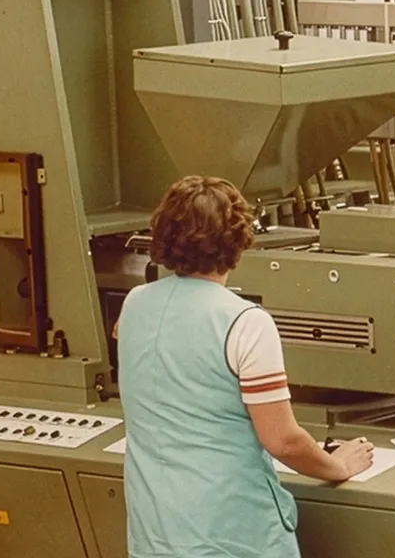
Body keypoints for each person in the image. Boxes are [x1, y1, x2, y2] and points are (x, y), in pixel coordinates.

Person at [116, 175, 375, 558]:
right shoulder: (245, 322)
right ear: (237, 241)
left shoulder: (135, 303)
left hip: (156, 532)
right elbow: (283, 440)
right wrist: (338, 465)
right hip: (231, 535)